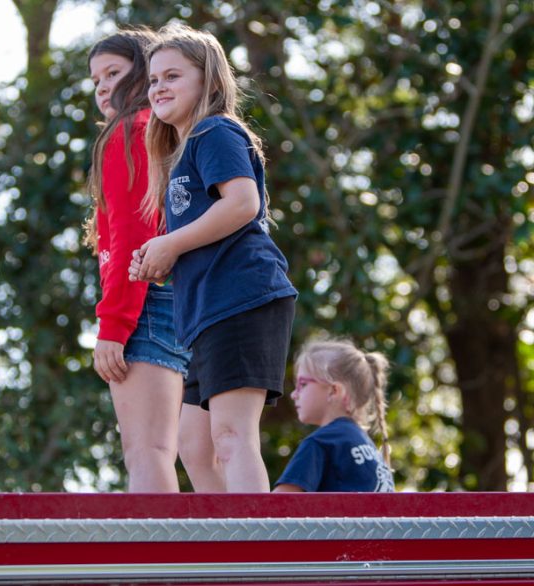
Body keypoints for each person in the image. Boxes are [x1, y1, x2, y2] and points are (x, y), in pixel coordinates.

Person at [129, 24, 297, 493]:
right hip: (206, 312)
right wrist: (157, 257)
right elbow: (202, 234)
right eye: (153, 79)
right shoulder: (182, 152)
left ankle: (253, 557)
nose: (158, 87)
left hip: (242, 297)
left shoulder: (214, 130)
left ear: (209, 81)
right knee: (195, 446)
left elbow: (243, 204)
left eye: (172, 76)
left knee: (231, 436)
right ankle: (226, 548)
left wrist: (172, 244)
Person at [85, 28, 192, 492]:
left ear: (143, 74)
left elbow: (134, 234)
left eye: (114, 73)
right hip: (184, 301)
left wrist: (113, 324)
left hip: (144, 304)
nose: (103, 87)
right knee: (184, 452)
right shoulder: (165, 131)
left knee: (146, 452)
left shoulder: (129, 132)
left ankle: (160, 565)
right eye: (95, 81)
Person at [274, 338, 394, 492]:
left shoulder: (322, 442)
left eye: (302, 384)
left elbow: (279, 504)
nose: (293, 394)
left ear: (334, 391)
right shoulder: (369, 449)